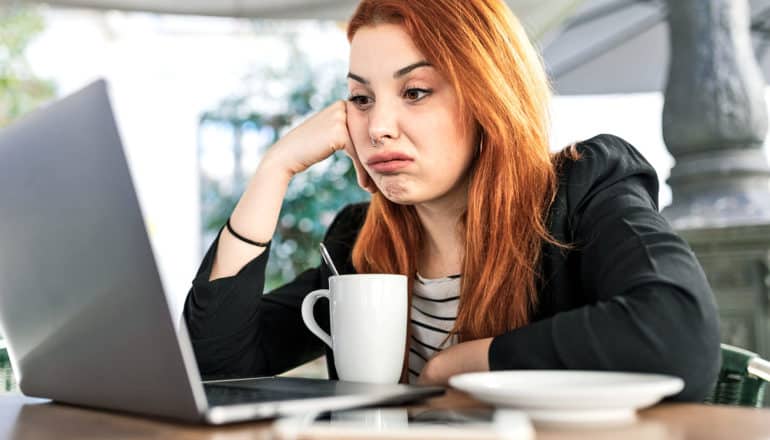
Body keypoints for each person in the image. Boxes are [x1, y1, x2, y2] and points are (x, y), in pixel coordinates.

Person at [184, 0, 721, 401]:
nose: (377, 128)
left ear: (487, 94)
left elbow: (677, 334)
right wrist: (274, 169)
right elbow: (217, 366)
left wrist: (465, 362)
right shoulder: (359, 241)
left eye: (415, 92)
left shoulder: (583, 190)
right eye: (361, 99)